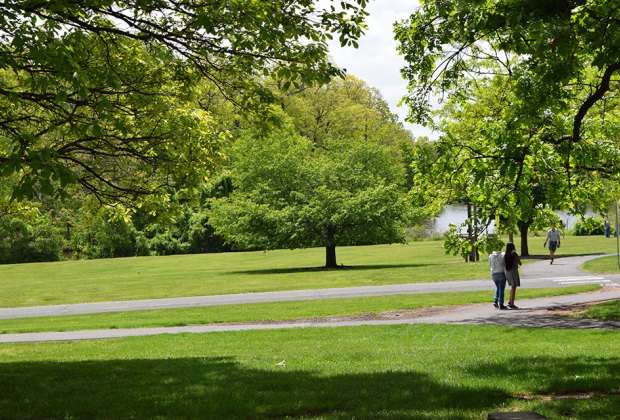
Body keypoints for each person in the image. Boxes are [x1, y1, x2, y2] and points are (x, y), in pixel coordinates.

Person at [504, 242, 521, 309]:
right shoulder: (514, 253)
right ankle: (512, 303)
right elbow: (519, 262)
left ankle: (510, 301)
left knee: (512, 286)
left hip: (507, 271)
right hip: (513, 270)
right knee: (514, 287)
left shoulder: (506, 254)